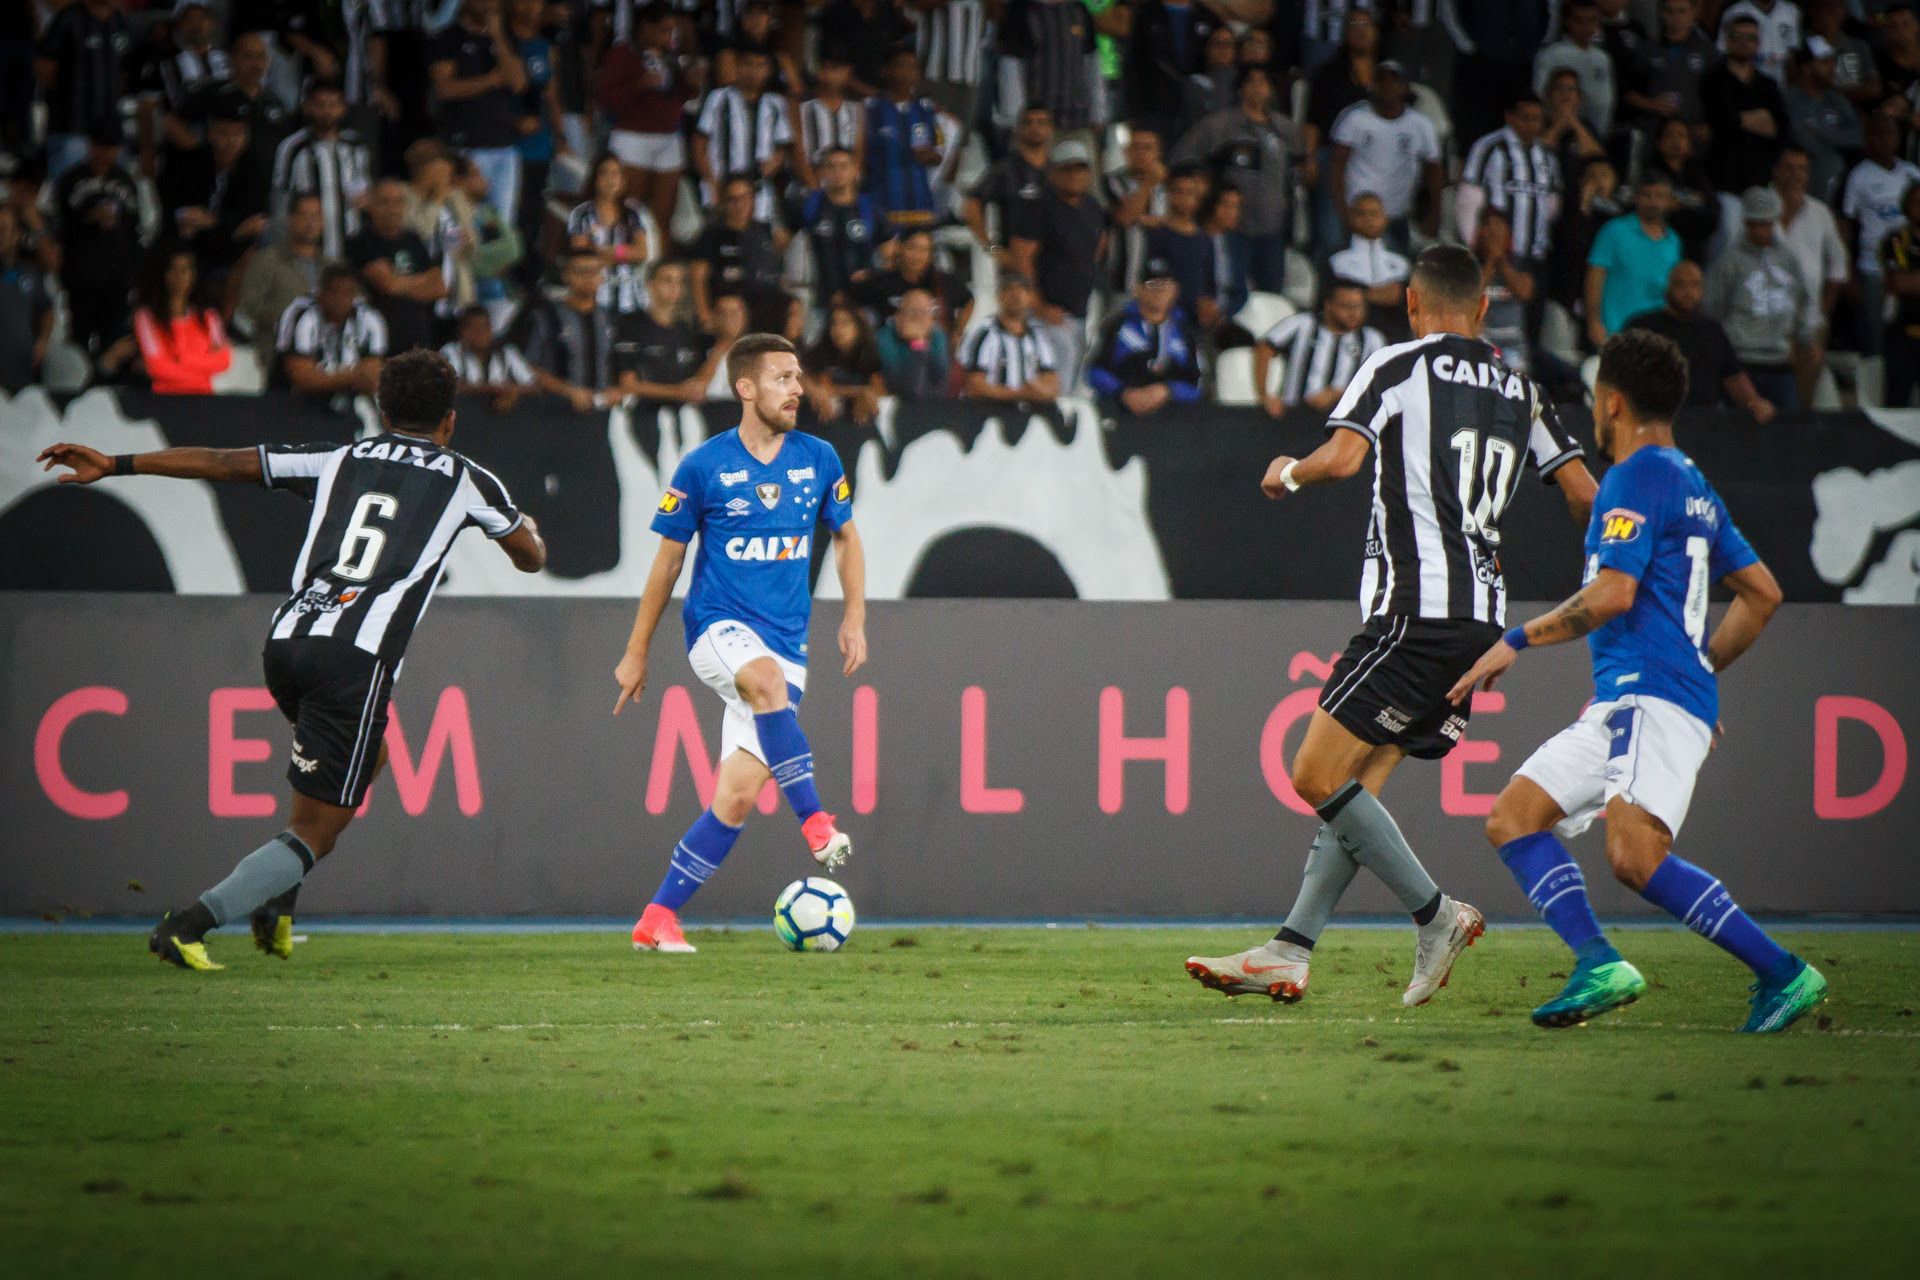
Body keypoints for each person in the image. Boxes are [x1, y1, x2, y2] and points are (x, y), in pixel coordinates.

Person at [1184, 244, 1597, 1009]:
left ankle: (1437, 915)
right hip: (1481, 619)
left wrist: (1288, 471)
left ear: (1411, 303)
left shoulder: (1399, 365)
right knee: (1359, 786)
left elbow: (1342, 458)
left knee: (1312, 773)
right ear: (1481, 309)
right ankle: (1290, 948)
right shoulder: (1521, 386)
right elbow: (1582, 493)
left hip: (1417, 609)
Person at [37, 351, 547, 971]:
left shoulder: (338, 457)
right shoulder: (467, 477)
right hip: (354, 657)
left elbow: (223, 463)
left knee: (370, 756)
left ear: (382, 411)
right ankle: (188, 924)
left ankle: (276, 906)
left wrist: (116, 463)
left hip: (287, 642)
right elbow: (530, 555)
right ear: (450, 420)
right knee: (317, 827)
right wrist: (528, 528)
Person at [1453, 328, 1824, 1034]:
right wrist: (1702, 670)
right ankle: (1598, 962)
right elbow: (1763, 593)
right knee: (1513, 818)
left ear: (1611, 401)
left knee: (1634, 857)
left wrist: (1516, 640)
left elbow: (1615, 594)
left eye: (1596, 399)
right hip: (1636, 697)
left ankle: (1783, 972)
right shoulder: (1693, 484)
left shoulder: (1635, 477)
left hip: (1650, 693)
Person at [611, 333, 867, 954]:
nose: (798, 389)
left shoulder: (820, 459)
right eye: (783, 378)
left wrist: (855, 616)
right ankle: (815, 820)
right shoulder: (702, 467)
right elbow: (668, 563)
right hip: (718, 631)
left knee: (738, 796)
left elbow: (846, 538)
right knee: (765, 683)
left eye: (799, 377)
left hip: (787, 645)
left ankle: (657, 918)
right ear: (745, 388)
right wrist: (636, 650)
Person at [1169, 63, 1307, 296]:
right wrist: (1204, 189)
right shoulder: (1219, 125)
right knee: (1231, 290)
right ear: (1240, 87)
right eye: (1251, 81)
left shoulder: (1285, 128)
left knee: (1270, 292)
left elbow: (1301, 167)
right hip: (1230, 225)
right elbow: (1181, 159)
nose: (1257, 88)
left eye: (1263, 82)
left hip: (1273, 225)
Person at [1009, 138, 1110, 395]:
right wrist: (1036, 303)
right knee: (1055, 383)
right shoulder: (1039, 206)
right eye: (1067, 168)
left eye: (1080, 168)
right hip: (1047, 313)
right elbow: (1021, 257)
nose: (1074, 174)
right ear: (1053, 171)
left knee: (1074, 381)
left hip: (1079, 312)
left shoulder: (1091, 207)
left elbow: (1097, 246)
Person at [1703, 185, 1818, 412]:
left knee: (1787, 428)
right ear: (1745, 223)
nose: (1760, 230)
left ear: (1774, 222)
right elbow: (1712, 309)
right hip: (1740, 361)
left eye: (1765, 223)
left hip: (1780, 359)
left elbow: (1802, 302)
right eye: (1754, 224)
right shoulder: (1729, 262)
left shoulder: (1788, 259)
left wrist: (1806, 336)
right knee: (1738, 430)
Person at [1625, 260, 1779, 418]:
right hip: (1656, 421)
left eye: (1695, 285)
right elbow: (1622, 375)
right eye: (1681, 284)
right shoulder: (1643, 328)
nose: (1688, 292)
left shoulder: (1713, 331)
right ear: (1668, 288)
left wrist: (1753, 401)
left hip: (1705, 424)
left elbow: (1733, 376)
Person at [47, 124, 143, 365]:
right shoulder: (70, 180)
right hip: (81, 278)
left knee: (114, 341)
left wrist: (131, 274)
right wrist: (89, 218)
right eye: (101, 146)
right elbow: (59, 228)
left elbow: (134, 231)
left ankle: (109, 387)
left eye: (111, 147)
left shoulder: (125, 181)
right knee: (79, 340)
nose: (105, 153)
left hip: (116, 279)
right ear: (91, 145)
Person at [429, 0, 530, 226]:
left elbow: (518, 83)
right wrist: (492, 80)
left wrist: (496, 35)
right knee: (467, 222)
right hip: (467, 146)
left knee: (502, 227)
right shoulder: (448, 38)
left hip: (504, 147)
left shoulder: (505, 38)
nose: (489, 4)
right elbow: (445, 89)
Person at [598, 3, 695, 234]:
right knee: (627, 211)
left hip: (668, 138)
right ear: (645, 27)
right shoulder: (622, 54)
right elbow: (607, 99)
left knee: (662, 217)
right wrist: (639, 85)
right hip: (632, 137)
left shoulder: (672, 57)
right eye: (664, 29)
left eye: (672, 30)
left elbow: (681, 97)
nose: (668, 36)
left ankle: (657, 265)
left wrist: (691, 83)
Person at [1329, 60, 1443, 253]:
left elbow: (1435, 172)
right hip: (1358, 214)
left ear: (1405, 88)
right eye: (1381, 81)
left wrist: (1434, 215)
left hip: (1396, 215)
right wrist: (1342, 211)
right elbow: (1336, 166)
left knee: (1396, 269)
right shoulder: (1355, 118)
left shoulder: (1421, 126)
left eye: (1394, 82)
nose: (1387, 87)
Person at [1302, 4, 1379, 262]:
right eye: (1353, 26)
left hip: (1375, 159)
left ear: (1376, 32)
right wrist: (1309, 157)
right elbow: (1312, 122)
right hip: (1332, 157)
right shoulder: (1327, 74)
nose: (1360, 32)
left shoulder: (1387, 76)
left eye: (1365, 26)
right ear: (1345, 33)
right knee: (1331, 233)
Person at [1840, 114, 1920, 359]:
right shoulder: (1859, 175)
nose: (1885, 140)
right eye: (1879, 134)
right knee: (1876, 336)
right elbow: (1846, 226)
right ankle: (1878, 378)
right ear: (1869, 138)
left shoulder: (1912, 172)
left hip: (1912, 264)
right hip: (1873, 268)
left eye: (1891, 133)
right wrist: (1849, 273)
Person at [1772, 145, 1848, 402]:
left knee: (1803, 395)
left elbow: (1838, 265)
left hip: (1809, 321)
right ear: (1775, 170)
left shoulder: (1819, 213)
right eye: (1789, 168)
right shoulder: (1759, 209)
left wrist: (1823, 314)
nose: (1795, 175)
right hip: (1765, 318)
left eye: (1802, 169)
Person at [1458, 91, 1561, 274]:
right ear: (1510, 117)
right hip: (1498, 256)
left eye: (1536, 118)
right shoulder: (1489, 148)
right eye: (1525, 118)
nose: (1531, 125)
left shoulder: (1547, 156)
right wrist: (1472, 244)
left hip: (1536, 255)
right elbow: (1469, 199)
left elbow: (1552, 205)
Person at [272, 79, 373, 262]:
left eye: (333, 105)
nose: (327, 112)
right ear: (307, 106)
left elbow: (365, 192)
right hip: (308, 246)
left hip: (351, 243)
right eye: (320, 105)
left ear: (343, 107)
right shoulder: (292, 148)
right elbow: (281, 201)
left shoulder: (357, 146)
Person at [1254, 277, 1383, 417]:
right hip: (1293, 416)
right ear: (1328, 305)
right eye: (1346, 306)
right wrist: (1265, 395)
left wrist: (1338, 394)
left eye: (1358, 307)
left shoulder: (1371, 339)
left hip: (1345, 421)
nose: (1354, 313)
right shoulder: (1303, 324)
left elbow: (1379, 382)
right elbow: (1264, 348)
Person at [694, 45, 793, 227]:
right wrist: (711, 181)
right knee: (719, 235)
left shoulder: (776, 104)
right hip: (721, 185)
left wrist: (775, 163)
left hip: (759, 191)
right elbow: (699, 143)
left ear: (768, 70)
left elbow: (783, 147)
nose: (754, 71)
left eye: (760, 65)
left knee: (756, 238)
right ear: (738, 66)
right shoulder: (719, 98)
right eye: (748, 64)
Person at [1085, 260, 1203, 414]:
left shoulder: (1185, 332)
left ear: (1175, 290)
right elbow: (1094, 371)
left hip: (1173, 423)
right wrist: (1123, 392)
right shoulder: (1117, 325)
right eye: (1152, 284)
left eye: (1166, 285)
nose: (1159, 291)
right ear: (1137, 289)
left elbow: (1197, 385)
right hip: (1122, 415)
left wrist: (1167, 391)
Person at [347, 178, 449, 356]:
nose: (392, 209)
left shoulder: (413, 240)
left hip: (419, 341)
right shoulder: (362, 242)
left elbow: (439, 287)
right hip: (380, 344)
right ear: (370, 205)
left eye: (397, 202)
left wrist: (398, 281)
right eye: (384, 202)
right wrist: (420, 281)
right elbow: (387, 285)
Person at [34, 0, 131, 181]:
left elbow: (124, 69)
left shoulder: (119, 21)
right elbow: (43, 65)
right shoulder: (69, 18)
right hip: (72, 129)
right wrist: (66, 95)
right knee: (68, 190)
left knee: (110, 195)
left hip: (110, 132)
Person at [863, 46, 953, 232]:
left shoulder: (927, 110)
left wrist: (930, 156)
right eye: (901, 66)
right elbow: (860, 155)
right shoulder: (870, 110)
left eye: (913, 68)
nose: (906, 73)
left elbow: (939, 156)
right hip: (882, 206)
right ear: (886, 70)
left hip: (920, 206)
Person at [1586, 175, 1683, 346]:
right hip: (1615, 331)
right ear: (1636, 197)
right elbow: (1595, 277)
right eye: (1647, 195)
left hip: (1656, 338)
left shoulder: (1674, 241)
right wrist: (1594, 321)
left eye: (1659, 196)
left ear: (1669, 201)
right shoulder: (1614, 231)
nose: (1653, 202)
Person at [521, 251, 625, 411]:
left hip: (605, 412)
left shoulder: (612, 318)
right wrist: (566, 390)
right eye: (581, 271)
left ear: (602, 276)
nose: (588, 277)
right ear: (566, 276)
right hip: (555, 411)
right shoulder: (546, 316)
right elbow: (528, 366)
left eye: (594, 271)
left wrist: (617, 389)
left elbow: (623, 364)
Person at [276, 264, 389, 408]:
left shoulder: (369, 318)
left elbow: (372, 378)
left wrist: (328, 377)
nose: (340, 300)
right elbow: (301, 378)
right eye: (334, 292)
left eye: (347, 292)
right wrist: (352, 377)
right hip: (298, 404)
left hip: (352, 404)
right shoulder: (301, 315)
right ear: (320, 293)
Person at [1703, 16, 1790, 198]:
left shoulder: (1768, 85)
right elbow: (1722, 121)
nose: (1743, 43)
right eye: (1737, 37)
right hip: (1723, 180)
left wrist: (1738, 119)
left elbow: (1781, 128)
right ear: (1727, 41)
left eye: (1749, 38)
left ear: (1758, 43)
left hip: (1761, 179)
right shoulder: (1712, 79)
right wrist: (1760, 119)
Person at [569, 150, 662, 314]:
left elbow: (642, 252)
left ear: (623, 180)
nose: (611, 180)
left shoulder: (633, 212)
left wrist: (604, 252)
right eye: (605, 173)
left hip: (630, 300)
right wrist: (624, 252)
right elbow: (582, 256)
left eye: (616, 174)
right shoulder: (581, 214)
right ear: (595, 179)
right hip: (595, 299)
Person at [132, 246, 233, 395]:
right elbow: (156, 366)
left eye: (185, 269)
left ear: (193, 275)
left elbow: (224, 359)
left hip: (204, 399)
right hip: (165, 399)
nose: (179, 276)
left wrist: (182, 359)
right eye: (173, 269)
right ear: (163, 274)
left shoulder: (209, 317)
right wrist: (202, 367)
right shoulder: (146, 318)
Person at [618, 259, 721, 405]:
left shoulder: (690, 330)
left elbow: (699, 381)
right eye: (667, 280)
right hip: (645, 415)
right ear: (650, 284)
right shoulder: (632, 325)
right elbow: (628, 384)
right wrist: (678, 392)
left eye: (680, 282)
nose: (674, 287)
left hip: (686, 414)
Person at [691, 175, 786, 329]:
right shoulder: (711, 234)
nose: (739, 205)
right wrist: (704, 315)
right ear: (724, 202)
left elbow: (777, 269)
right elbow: (698, 276)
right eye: (733, 199)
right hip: (728, 314)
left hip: (764, 309)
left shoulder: (765, 231)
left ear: (753, 200)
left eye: (745, 198)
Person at [963, 104, 1052, 261]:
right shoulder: (1005, 170)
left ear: (1051, 129)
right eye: (1028, 122)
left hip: (1054, 260)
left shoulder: (1058, 170)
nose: (1035, 128)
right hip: (1016, 261)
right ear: (1017, 129)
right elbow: (971, 206)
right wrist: (993, 249)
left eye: (1041, 122)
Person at [959, 271, 1060, 402]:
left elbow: (1052, 382)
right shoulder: (983, 334)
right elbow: (974, 385)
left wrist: (1040, 391)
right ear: (998, 296)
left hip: (1026, 414)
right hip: (987, 413)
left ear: (1030, 297)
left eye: (1022, 289)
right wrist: (1020, 394)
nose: (1016, 295)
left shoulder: (1038, 337)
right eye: (1009, 289)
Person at [851, 226, 971, 337]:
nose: (917, 255)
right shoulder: (881, 281)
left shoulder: (942, 281)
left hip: (936, 352)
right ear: (900, 248)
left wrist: (957, 333)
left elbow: (968, 301)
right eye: (912, 247)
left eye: (924, 249)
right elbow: (853, 302)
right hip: (891, 351)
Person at [1785, 39, 1862, 208]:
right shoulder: (1791, 98)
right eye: (1824, 61)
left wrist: (1820, 131)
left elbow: (1858, 136)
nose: (1832, 66)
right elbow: (1804, 140)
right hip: (1806, 177)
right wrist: (1838, 139)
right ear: (1806, 67)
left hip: (1838, 178)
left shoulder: (1836, 99)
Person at [799, 147, 880, 307]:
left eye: (843, 166)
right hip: (818, 300)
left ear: (854, 170)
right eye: (831, 166)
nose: (838, 172)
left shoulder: (869, 209)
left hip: (862, 300)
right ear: (822, 172)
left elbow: (889, 251)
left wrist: (873, 273)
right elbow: (785, 243)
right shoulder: (809, 207)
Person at [1145, 165, 1219, 333]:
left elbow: (1209, 283)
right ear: (1169, 194)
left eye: (1190, 192)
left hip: (1193, 323)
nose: (1184, 198)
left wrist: (1207, 305)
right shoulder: (1157, 234)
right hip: (1163, 319)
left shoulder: (1205, 240)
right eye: (1179, 191)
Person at [1329, 192, 1411, 342]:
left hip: (1395, 335)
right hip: (1349, 336)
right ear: (1351, 218)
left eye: (1374, 213)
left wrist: (1363, 293)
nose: (1368, 219)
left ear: (1385, 218)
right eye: (1361, 214)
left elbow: (1403, 299)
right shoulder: (1335, 258)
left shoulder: (1403, 259)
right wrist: (1373, 295)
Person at [1627, 0, 1715, 138]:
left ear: (1693, 14)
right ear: (1663, 13)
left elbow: (1718, 93)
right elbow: (1628, 92)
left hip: (1693, 134)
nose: (1676, 17)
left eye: (1682, 11)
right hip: (1654, 132)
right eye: (1670, 11)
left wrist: (1711, 124)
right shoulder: (1646, 49)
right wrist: (1651, 104)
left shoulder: (1708, 51)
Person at [1641, 116, 1719, 263]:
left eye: (1681, 136)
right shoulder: (1650, 175)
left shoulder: (1700, 177)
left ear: (1690, 144)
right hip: (1656, 245)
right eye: (1669, 135)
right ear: (1658, 142)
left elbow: (1711, 217)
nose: (1676, 141)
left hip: (1693, 248)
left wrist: (1675, 208)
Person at [1534, 0, 1616, 135]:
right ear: (1567, 21)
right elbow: (1540, 95)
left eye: (1591, 20)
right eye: (1579, 20)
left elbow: (1607, 99)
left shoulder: (1603, 58)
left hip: (1595, 132)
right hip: (1557, 130)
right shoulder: (1552, 54)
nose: (1585, 26)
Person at [1104, 127, 1167, 295]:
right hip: (1119, 279)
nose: (1141, 153)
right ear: (1126, 152)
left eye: (1147, 148)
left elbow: (1170, 223)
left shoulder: (1166, 186)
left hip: (1158, 284)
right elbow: (1125, 217)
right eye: (1136, 147)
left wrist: (1143, 218)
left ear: (1158, 153)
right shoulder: (1112, 181)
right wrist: (1147, 184)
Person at [440, 303, 537, 410]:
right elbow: (448, 388)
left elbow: (534, 385)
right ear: (462, 331)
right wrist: (493, 390)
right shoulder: (450, 352)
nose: (481, 333)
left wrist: (512, 393)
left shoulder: (507, 352)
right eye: (474, 328)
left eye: (485, 327)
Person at [795, 44, 865, 191]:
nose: (832, 75)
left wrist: (849, 187)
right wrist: (815, 190)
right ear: (819, 71)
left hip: (846, 190)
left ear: (848, 72)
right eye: (827, 68)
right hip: (812, 187)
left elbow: (858, 153)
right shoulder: (803, 109)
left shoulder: (856, 109)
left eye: (838, 69)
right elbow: (799, 153)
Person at [802, 301, 886, 422]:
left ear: (859, 327)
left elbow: (879, 388)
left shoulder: (871, 355)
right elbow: (825, 388)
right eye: (833, 324)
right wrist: (861, 391)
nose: (838, 329)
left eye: (845, 323)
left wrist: (865, 393)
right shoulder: (819, 355)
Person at [0, 204, 53, 393]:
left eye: (3, 231)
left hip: (23, 380)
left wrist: (42, 342)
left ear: (17, 236)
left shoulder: (29, 275)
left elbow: (46, 309)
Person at [1879, 183, 1920, 406]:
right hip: (1902, 333)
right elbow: (1899, 282)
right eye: (1916, 202)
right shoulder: (1895, 238)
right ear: (1907, 205)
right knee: (1896, 403)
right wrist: (1911, 281)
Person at [875, 287, 952, 399]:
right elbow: (907, 390)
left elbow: (940, 386)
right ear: (898, 317)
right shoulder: (885, 337)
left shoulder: (937, 337)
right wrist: (918, 344)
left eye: (924, 312)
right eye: (912, 312)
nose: (918, 318)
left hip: (930, 407)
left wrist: (919, 342)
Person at [1717, 0, 1801, 87]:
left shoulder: (1791, 11)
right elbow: (1723, 51)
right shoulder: (1734, 11)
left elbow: (1792, 52)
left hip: (1779, 81)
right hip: (1742, 82)